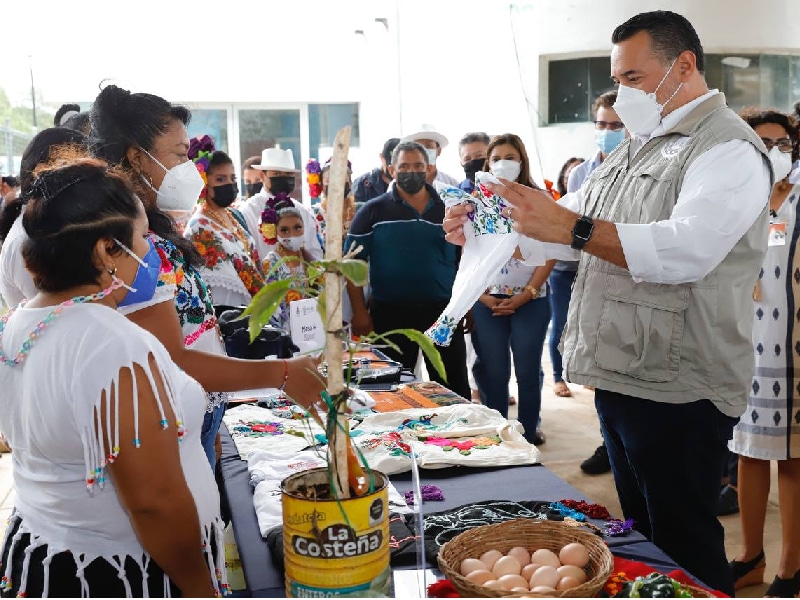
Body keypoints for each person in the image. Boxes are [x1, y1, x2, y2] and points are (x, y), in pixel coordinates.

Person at [443, 11, 771, 595]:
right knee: (645, 534)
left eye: (635, 79)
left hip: (679, 381)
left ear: (685, 66)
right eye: (618, 80)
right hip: (623, 369)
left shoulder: (727, 150)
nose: (623, 95)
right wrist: (487, 226)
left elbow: (686, 249)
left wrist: (568, 226)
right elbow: (562, 227)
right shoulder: (638, 147)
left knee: (685, 537)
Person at [0, 153, 224, 596]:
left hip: (47, 558)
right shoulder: (112, 342)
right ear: (107, 250)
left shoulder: (24, 320)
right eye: (142, 238)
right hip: (116, 575)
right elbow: (153, 503)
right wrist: (202, 590)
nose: (151, 252)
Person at [89, 84, 324, 467]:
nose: (190, 169)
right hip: (166, 430)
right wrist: (281, 373)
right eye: (181, 156)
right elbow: (171, 360)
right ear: (136, 158)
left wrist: (211, 419)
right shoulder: (130, 248)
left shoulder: (154, 230)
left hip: (195, 413)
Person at [727, 107, 800, 597]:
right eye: (763, 142)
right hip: (743, 338)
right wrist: (768, 207)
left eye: (782, 142)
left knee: (793, 454)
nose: (773, 150)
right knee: (749, 451)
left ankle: (792, 566)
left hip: (792, 339)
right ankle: (750, 555)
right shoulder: (732, 194)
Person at [345, 140, 470, 399]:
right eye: (404, 166)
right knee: (389, 390)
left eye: (418, 166)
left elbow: (466, 261)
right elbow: (351, 264)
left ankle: (458, 438)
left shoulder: (450, 209)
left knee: (452, 388)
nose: (411, 172)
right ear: (391, 169)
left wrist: (467, 306)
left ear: (429, 169)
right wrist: (359, 311)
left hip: (443, 313)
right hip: (390, 314)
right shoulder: (372, 211)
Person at [470, 134, 555, 446]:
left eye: (510, 157)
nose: (503, 164)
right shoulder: (475, 203)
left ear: (522, 162)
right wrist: (481, 296)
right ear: (487, 164)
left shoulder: (541, 201)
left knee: (528, 371)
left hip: (531, 300)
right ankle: (499, 438)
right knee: (494, 373)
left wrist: (526, 294)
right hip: (486, 300)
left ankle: (528, 434)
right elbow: (467, 255)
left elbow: (551, 251)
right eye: (496, 158)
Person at [0, 128, 88, 306]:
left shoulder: (49, 226)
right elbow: (58, 315)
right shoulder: (27, 241)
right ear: (45, 175)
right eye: (82, 176)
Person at [184, 135, 265, 308]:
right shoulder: (199, 228)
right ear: (204, 183)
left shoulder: (232, 215)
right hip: (235, 317)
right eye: (220, 179)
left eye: (232, 179)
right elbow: (222, 295)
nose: (229, 184)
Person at [239, 148, 324, 263]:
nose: (283, 178)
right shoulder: (248, 210)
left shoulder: (301, 210)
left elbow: (315, 252)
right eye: (277, 174)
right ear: (262, 176)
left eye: (288, 174)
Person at [263, 202, 319, 333]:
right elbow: (273, 309)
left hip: (313, 329)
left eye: (297, 228)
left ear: (304, 228)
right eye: (284, 230)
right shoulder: (271, 263)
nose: (292, 234)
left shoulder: (309, 260)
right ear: (274, 232)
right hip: (287, 333)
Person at [309, 157, 357, 243]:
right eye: (329, 180)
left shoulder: (360, 210)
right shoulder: (312, 214)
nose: (336, 184)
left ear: (350, 183)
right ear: (321, 184)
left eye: (342, 179)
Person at [353, 137, 399, 204]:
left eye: (398, 165)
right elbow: (354, 211)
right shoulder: (362, 184)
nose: (393, 169)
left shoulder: (409, 184)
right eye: (390, 164)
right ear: (381, 158)